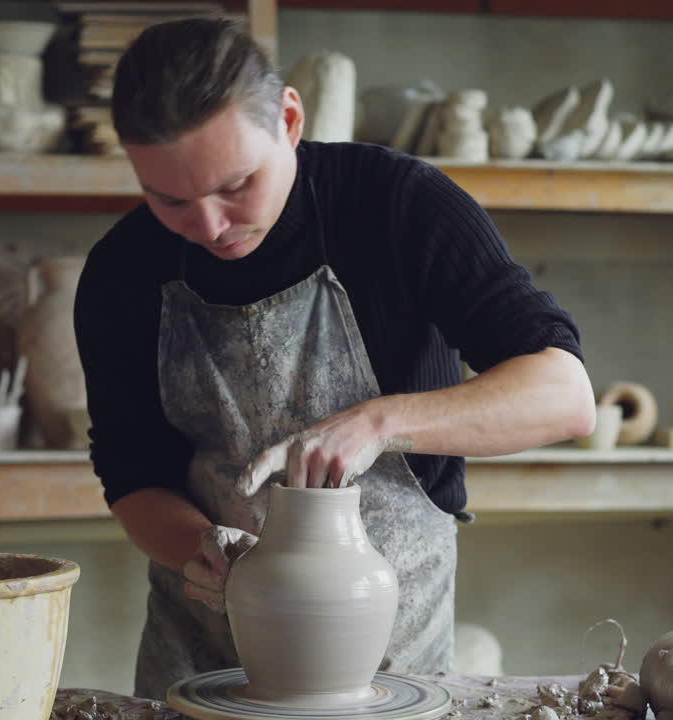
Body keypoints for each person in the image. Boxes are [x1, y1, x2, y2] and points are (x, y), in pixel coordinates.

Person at [73, 17, 596, 701]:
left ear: (289, 120)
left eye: (236, 184)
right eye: (169, 199)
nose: (209, 226)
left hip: (388, 657)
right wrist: (202, 550)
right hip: (201, 653)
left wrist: (379, 423)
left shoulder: (398, 206)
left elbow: (564, 395)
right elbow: (131, 473)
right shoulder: (122, 268)